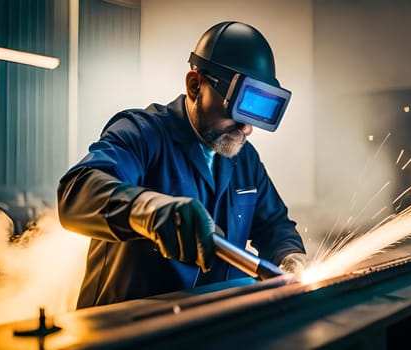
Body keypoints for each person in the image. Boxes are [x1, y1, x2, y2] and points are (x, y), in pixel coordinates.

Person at [57, 21, 307, 309]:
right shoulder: (143, 133)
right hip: (127, 330)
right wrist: (149, 211)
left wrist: (290, 256)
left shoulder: (244, 158)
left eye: (254, 116)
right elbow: (75, 193)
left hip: (209, 327)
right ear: (194, 85)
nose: (247, 129)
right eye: (236, 109)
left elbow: (274, 225)